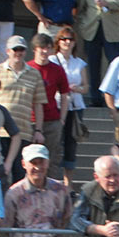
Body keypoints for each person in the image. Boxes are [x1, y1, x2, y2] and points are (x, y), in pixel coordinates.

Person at [0, 34, 47, 185]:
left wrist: (39, 130)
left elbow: (39, 103)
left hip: (24, 132)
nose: (18, 52)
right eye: (15, 49)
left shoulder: (34, 74)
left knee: (20, 174)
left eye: (21, 49)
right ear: (8, 50)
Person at [47, 30, 84, 182]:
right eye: (64, 39)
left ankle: (68, 183)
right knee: (55, 142)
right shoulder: (52, 60)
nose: (67, 42)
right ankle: (52, 179)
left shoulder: (79, 62)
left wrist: (78, 89)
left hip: (75, 106)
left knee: (71, 144)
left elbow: (86, 87)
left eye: (70, 39)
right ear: (58, 42)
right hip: (56, 104)